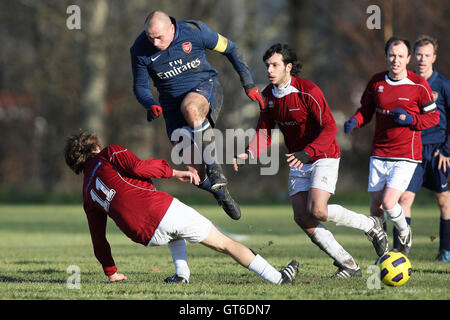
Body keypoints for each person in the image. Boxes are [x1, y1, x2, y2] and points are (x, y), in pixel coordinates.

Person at [234, 43, 388, 278]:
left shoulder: (308, 91)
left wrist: (309, 151)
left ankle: (370, 225)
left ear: (288, 67)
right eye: (267, 65)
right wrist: (250, 152)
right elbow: (264, 130)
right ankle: (348, 264)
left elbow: (329, 127)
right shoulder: (267, 96)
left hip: (323, 155)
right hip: (299, 160)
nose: (269, 70)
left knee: (318, 209)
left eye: (275, 65)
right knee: (302, 217)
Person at [63, 131, 298, 284]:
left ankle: (181, 275)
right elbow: (141, 169)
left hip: (142, 235)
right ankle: (278, 279)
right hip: (159, 211)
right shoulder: (109, 153)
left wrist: (111, 271)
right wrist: (175, 172)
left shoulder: (87, 193)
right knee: (225, 243)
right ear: (94, 147)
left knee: (175, 232)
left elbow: (98, 239)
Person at [130, 10, 265, 221]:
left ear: (172, 28)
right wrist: (150, 103)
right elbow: (140, 87)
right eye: (150, 37)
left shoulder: (195, 31)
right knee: (194, 173)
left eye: (160, 37)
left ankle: (215, 169)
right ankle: (221, 192)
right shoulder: (139, 49)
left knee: (191, 109)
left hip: (205, 89)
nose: (155, 43)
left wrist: (248, 83)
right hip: (171, 108)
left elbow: (231, 48)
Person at [344, 36, 440, 256]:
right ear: (386, 57)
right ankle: (384, 255)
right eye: (392, 55)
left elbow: (433, 117)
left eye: (400, 56)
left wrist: (411, 120)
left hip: (406, 154)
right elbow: (365, 112)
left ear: (408, 59)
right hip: (379, 153)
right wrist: (355, 121)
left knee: (389, 202)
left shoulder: (419, 85)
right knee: (375, 209)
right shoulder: (376, 82)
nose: (395, 60)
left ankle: (405, 232)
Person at [398, 35, 450, 262]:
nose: (422, 59)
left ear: (434, 57)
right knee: (404, 200)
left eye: (426, 55)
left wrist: (447, 149)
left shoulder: (444, 85)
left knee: (444, 201)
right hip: (413, 151)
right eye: (418, 54)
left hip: (438, 152)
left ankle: (445, 251)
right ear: (412, 56)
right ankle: (401, 252)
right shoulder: (406, 82)